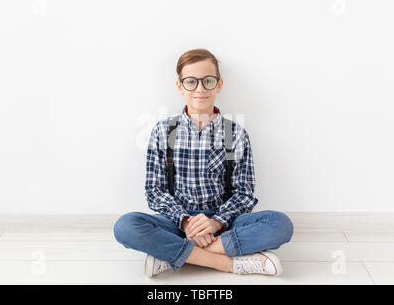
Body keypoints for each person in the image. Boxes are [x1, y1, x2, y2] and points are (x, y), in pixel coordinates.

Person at [114, 48, 293, 277]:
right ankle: (227, 263)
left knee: (280, 224)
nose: (200, 89)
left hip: (225, 223)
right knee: (126, 226)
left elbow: (245, 194)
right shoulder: (163, 131)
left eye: (208, 81)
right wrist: (187, 222)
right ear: (180, 86)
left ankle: (175, 257)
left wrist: (216, 223)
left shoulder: (234, 133)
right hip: (177, 224)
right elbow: (154, 191)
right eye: (191, 81)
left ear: (219, 85)